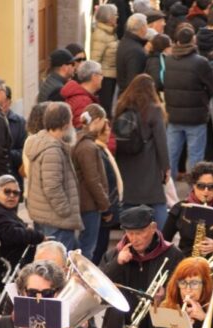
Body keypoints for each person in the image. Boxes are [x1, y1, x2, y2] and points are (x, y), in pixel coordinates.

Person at [115, 73, 170, 228]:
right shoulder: (154, 109)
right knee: (157, 202)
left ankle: (128, 233)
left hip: (125, 161)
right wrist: (166, 167)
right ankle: (162, 235)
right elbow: (161, 141)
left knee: (129, 201)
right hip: (148, 163)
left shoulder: (121, 106)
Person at [25, 102, 82, 251]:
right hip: (56, 220)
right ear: (64, 123)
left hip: (47, 216)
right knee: (58, 264)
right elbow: (52, 186)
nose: (72, 123)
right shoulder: (52, 150)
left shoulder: (45, 143)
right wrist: (65, 210)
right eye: (70, 120)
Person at [164, 25, 213, 178]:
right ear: (193, 40)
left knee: (171, 154)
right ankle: (195, 190)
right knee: (196, 156)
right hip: (196, 116)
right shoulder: (200, 62)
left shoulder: (168, 60)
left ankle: (169, 189)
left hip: (173, 114)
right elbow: (212, 86)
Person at [163, 161, 213, 255]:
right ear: (193, 185)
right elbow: (164, 241)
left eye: (211, 187)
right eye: (201, 186)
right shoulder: (180, 208)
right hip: (187, 262)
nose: (206, 191)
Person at [0, 175, 43, 288]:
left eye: (16, 193)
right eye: (7, 191)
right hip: (1, 267)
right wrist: (38, 236)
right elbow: (11, 234)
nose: (12, 196)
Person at [71, 104, 110, 260]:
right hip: (89, 204)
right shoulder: (88, 147)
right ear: (98, 120)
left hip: (80, 201)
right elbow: (93, 180)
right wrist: (105, 206)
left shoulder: (77, 141)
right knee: (87, 249)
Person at [93, 119, 124, 266]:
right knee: (97, 250)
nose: (108, 133)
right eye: (105, 130)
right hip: (102, 209)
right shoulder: (97, 151)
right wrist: (106, 209)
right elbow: (101, 183)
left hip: (104, 207)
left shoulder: (101, 149)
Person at [90, 3, 119, 115]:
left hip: (110, 76)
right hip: (105, 79)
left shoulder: (110, 32)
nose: (117, 17)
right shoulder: (101, 35)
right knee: (105, 108)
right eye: (115, 15)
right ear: (108, 18)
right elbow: (95, 60)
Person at [60, 60, 103, 128]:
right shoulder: (83, 101)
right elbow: (82, 130)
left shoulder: (82, 96)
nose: (102, 78)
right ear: (94, 76)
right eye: (101, 74)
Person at [1, 85, 28, 188]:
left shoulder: (19, 122)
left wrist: (7, 153)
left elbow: (24, 152)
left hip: (13, 177)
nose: (1, 104)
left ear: (9, 102)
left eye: (4, 100)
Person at [116, 13, 149, 94]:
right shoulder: (136, 51)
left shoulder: (125, 42)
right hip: (130, 98)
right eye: (146, 25)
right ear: (142, 28)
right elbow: (134, 81)